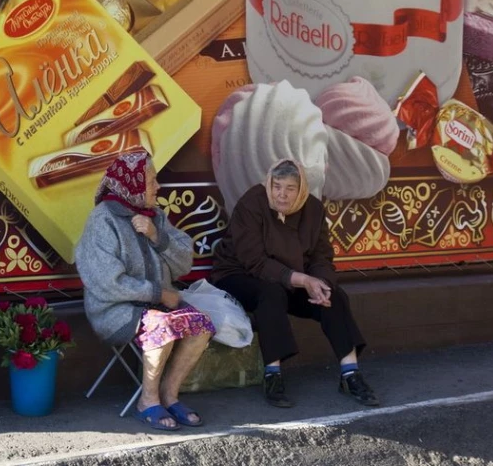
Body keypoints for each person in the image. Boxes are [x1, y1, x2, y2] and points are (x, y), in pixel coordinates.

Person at [211, 159, 379, 408]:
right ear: (269, 183)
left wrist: (320, 283)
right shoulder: (252, 202)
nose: (281, 194)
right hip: (240, 274)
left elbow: (321, 256)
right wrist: (302, 279)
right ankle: (272, 374)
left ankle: (350, 373)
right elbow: (254, 260)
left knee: (335, 296)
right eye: (277, 186)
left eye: (290, 188)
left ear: (301, 190)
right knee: (271, 293)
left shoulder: (312, 209)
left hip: (292, 279)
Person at [75, 152, 214, 431]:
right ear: (133, 184)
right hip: (114, 309)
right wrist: (159, 294)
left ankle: (169, 395)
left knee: (202, 326)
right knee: (161, 327)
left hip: (158, 304)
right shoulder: (103, 221)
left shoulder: (155, 217)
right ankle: (146, 401)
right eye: (151, 180)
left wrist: (156, 236)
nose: (158, 187)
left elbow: (185, 261)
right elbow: (106, 283)